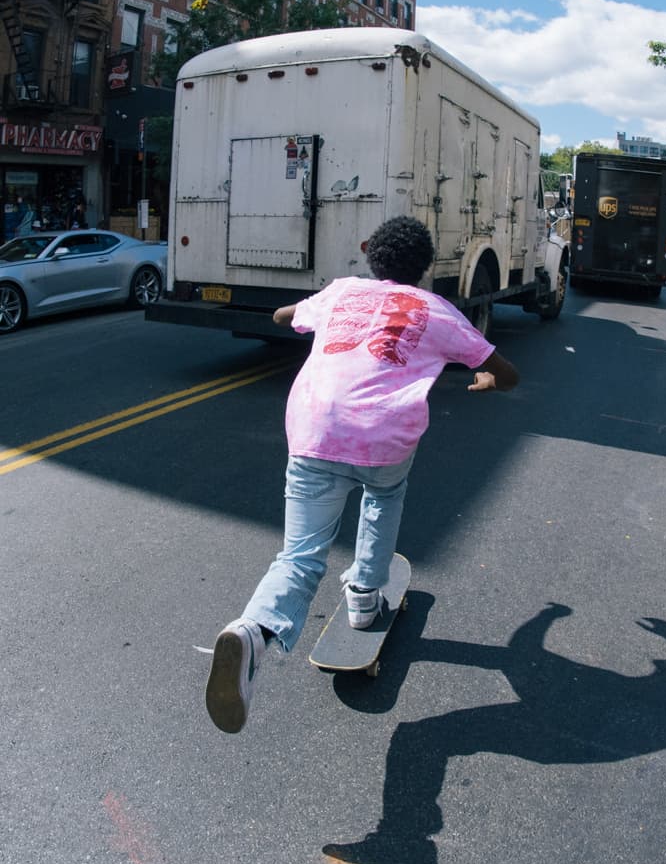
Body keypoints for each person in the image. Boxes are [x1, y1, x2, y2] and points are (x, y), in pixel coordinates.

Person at [205, 215, 519, 734]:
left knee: (300, 555)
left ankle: (254, 631)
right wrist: (485, 379)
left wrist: (294, 314)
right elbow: (506, 373)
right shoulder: (438, 311)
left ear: (370, 253)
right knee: (383, 495)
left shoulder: (341, 291)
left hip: (313, 432)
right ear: (424, 265)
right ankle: (363, 598)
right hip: (382, 439)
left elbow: (287, 316)